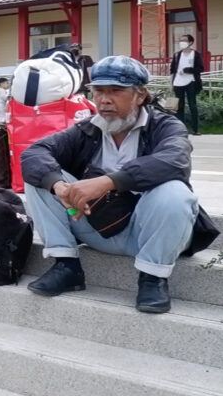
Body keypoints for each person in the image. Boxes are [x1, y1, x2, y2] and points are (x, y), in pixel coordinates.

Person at [21, 56, 199, 314]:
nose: (105, 99)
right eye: (99, 91)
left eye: (115, 91)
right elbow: (34, 154)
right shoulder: (86, 129)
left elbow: (175, 160)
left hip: (148, 231)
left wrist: (108, 182)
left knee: (175, 193)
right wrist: (59, 186)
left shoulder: (165, 126)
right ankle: (66, 266)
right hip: (96, 225)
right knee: (41, 177)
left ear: (140, 95)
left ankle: (153, 278)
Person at [170, 34, 204, 136]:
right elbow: (172, 71)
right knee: (179, 107)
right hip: (177, 83)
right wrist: (171, 84)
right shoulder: (177, 55)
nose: (182, 42)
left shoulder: (196, 54)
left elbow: (201, 68)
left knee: (192, 105)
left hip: (191, 82)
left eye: (184, 40)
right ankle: (181, 129)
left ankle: (195, 129)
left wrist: (187, 70)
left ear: (190, 42)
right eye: (180, 40)